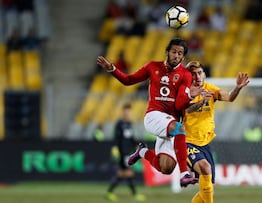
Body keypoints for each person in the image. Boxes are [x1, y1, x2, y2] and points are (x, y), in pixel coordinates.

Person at [97, 38, 203, 188]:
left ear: (183, 56)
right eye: (174, 52)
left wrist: (190, 96)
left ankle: (142, 152)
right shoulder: (152, 66)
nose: (176, 56)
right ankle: (185, 174)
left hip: (170, 124)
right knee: (180, 128)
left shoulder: (185, 75)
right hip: (154, 116)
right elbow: (128, 80)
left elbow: (180, 104)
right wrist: (112, 69)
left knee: (166, 168)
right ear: (167, 52)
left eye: (180, 53)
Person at [183, 61, 249, 203]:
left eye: (199, 73)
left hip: (205, 143)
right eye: (193, 74)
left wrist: (237, 88)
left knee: (208, 188)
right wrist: (201, 102)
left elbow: (229, 97)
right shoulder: (184, 92)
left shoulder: (210, 89)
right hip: (187, 141)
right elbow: (185, 110)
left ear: (204, 74)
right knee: (205, 168)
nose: (197, 76)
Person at [106, 103, 146, 202]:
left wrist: (137, 144)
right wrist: (117, 150)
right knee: (128, 173)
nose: (127, 113)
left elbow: (130, 138)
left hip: (129, 151)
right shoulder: (119, 124)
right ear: (123, 112)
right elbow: (117, 138)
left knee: (122, 173)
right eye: (126, 111)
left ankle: (109, 192)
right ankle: (135, 194)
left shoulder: (129, 124)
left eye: (129, 111)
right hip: (122, 152)